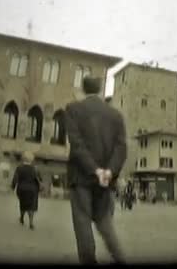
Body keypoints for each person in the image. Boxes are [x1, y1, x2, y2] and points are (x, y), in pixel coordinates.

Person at [65, 76, 128, 264]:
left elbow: (76, 145)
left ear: (83, 89)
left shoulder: (73, 109)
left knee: (83, 223)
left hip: (81, 177)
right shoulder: (115, 115)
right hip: (106, 181)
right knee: (105, 223)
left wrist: (95, 170)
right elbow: (121, 148)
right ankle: (121, 260)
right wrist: (109, 171)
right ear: (101, 90)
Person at [11, 151, 42, 230]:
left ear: (22, 159)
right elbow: (38, 180)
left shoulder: (19, 168)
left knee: (23, 204)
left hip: (22, 189)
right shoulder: (35, 169)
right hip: (32, 190)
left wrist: (13, 187)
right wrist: (39, 188)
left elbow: (15, 179)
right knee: (31, 206)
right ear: (32, 160)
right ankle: (31, 223)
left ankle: (21, 218)